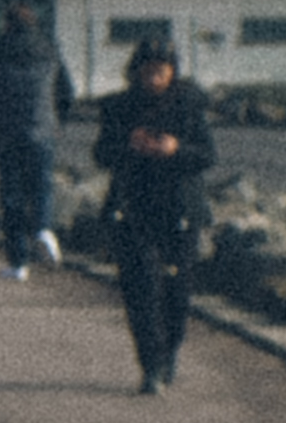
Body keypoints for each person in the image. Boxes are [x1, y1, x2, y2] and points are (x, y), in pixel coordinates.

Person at [89, 37, 217, 392]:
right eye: (148, 71)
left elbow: (207, 156)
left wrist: (175, 149)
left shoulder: (189, 106)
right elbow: (100, 154)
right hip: (133, 207)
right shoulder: (119, 108)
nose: (154, 78)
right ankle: (151, 365)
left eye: (161, 71)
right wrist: (129, 145)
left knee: (177, 291)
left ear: (173, 72)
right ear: (137, 71)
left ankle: (171, 348)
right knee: (140, 288)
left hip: (180, 209)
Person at [0, 1, 60, 277]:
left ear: (7, 23)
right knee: (42, 185)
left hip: (8, 133)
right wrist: (56, 118)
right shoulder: (49, 50)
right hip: (42, 129)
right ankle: (43, 229)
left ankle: (18, 262)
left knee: (11, 196)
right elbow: (66, 91)